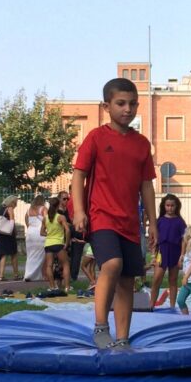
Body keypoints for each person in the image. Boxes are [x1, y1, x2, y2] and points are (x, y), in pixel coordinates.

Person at [71, 77, 157, 349]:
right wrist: (80, 211)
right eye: (121, 103)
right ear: (107, 106)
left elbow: (147, 186)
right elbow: (78, 175)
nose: (128, 109)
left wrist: (153, 223)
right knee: (111, 264)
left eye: (133, 104)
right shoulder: (96, 137)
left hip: (130, 222)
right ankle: (100, 326)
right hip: (100, 216)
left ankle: (122, 339)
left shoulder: (142, 143)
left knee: (127, 280)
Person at [150, 194, 186, 307]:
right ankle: (151, 305)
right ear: (164, 206)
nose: (170, 208)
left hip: (175, 252)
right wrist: (153, 256)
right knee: (156, 279)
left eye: (172, 206)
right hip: (162, 252)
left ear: (176, 207)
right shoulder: (159, 221)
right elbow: (153, 240)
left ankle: (172, 306)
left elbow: (184, 240)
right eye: (167, 205)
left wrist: (182, 256)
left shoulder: (180, 222)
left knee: (173, 280)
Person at [43, 196, 71, 293]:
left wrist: (49, 234)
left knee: (49, 266)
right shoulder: (61, 217)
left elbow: (41, 232)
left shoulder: (45, 218)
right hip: (59, 243)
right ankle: (67, 287)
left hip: (48, 244)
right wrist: (66, 243)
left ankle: (52, 287)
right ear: (58, 205)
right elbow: (67, 230)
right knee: (66, 264)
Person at [0, 195, 21, 280]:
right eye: (15, 202)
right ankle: (16, 274)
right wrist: (14, 231)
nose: (16, 204)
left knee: (3, 254)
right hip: (9, 234)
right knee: (14, 254)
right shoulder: (10, 209)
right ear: (12, 202)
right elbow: (12, 220)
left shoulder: (0, 209)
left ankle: (1, 275)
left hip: (1, 233)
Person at [23, 196, 47, 282]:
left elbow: (26, 220)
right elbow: (46, 220)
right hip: (39, 232)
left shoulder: (29, 210)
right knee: (41, 254)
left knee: (30, 254)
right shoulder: (43, 209)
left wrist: (30, 228)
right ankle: (36, 275)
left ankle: (28, 274)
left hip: (30, 232)